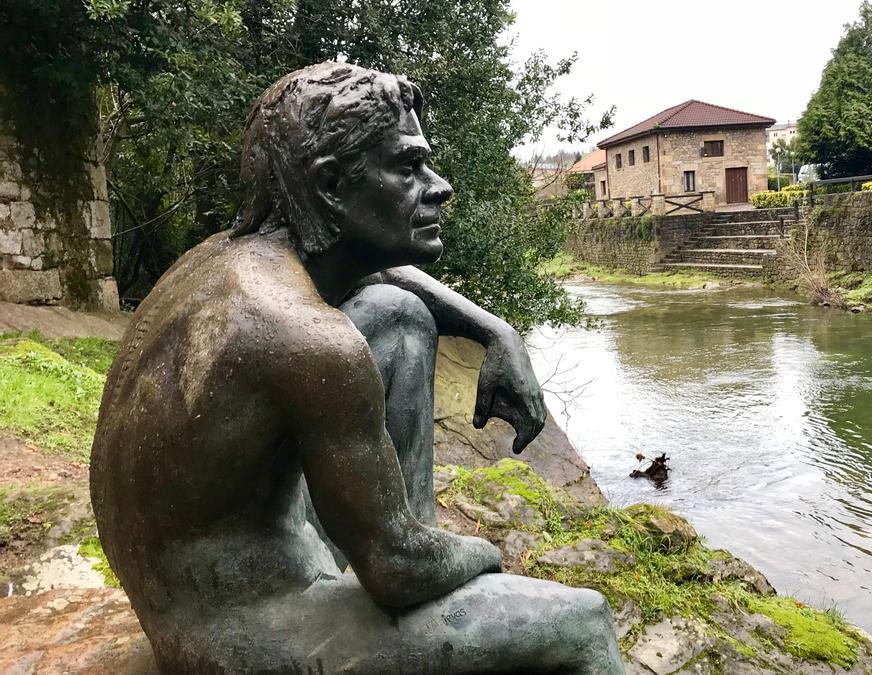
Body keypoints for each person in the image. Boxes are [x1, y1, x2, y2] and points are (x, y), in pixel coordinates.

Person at [90, 61, 623, 674]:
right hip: (240, 633)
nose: (439, 185)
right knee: (583, 624)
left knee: (398, 314)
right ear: (331, 186)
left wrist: (492, 329)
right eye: (408, 167)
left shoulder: (230, 258)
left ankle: (408, 540)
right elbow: (397, 573)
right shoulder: (310, 339)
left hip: (189, 590)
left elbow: (378, 269)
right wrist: (478, 555)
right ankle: (413, 551)